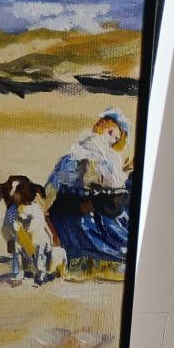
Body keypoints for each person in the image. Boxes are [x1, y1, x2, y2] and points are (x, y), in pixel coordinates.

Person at [45, 108, 133, 273]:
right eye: (116, 136)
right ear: (111, 129)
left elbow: (52, 187)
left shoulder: (78, 150)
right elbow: (109, 184)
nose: (114, 140)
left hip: (65, 216)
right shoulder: (98, 151)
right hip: (84, 219)